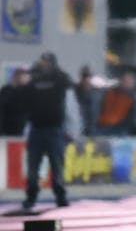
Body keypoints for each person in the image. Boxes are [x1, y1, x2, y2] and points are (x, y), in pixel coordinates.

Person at [22, 53, 72, 209]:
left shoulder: (59, 78)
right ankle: (31, 196)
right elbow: (25, 96)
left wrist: (54, 70)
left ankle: (60, 196)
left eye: (46, 62)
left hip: (54, 128)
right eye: (42, 62)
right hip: (37, 128)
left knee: (57, 165)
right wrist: (33, 72)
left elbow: (68, 83)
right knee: (32, 166)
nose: (43, 64)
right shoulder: (34, 79)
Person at [96, 71, 136, 136]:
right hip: (104, 125)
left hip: (121, 128)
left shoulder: (134, 97)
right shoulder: (110, 93)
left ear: (133, 83)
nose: (126, 83)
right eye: (124, 81)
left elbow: (134, 116)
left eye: (128, 81)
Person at [0, 68, 31, 135]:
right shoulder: (6, 89)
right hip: (6, 123)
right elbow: (3, 104)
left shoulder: (26, 90)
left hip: (19, 124)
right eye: (23, 76)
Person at [74, 66, 100, 136]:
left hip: (93, 129)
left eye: (89, 76)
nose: (87, 79)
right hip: (78, 129)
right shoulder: (74, 90)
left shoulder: (97, 92)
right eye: (84, 76)